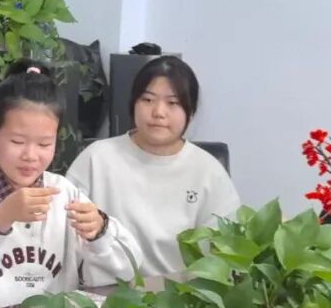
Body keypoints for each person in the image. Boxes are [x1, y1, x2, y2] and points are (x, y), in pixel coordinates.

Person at [0, 61, 141, 308]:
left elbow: (126, 272)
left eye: (44, 144)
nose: (30, 155)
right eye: (17, 141)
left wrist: (101, 232)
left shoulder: (64, 193)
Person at [67, 55, 239, 277]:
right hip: (104, 293)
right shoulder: (96, 158)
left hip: (181, 294)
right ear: (133, 104)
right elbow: (61, 232)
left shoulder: (209, 172)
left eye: (173, 103)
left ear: (190, 112)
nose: (158, 112)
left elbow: (225, 253)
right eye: (148, 100)